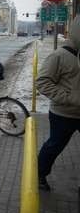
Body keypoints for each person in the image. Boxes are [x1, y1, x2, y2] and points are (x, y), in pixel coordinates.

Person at [36, 16, 80, 191]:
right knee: (54, 146)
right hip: (63, 114)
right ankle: (39, 175)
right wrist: (71, 98)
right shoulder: (59, 56)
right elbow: (42, 82)